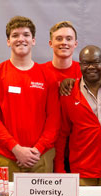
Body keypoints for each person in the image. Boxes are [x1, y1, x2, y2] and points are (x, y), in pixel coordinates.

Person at [0, 16, 60, 181]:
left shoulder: (48, 76)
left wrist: (38, 149)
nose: (21, 39)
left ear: (33, 40)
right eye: (15, 35)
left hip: (41, 156)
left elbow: (54, 119)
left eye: (25, 35)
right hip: (7, 156)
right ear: (8, 41)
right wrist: (15, 148)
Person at [55, 45, 101, 186]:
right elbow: (62, 135)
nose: (91, 67)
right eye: (86, 63)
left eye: (96, 62)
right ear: (80, 65)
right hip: (82, 172)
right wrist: (59, 169)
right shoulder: (69, 93)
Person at [43, 21, 82, 173]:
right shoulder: (40, 72)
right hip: (46, 149)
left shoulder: (85, 72)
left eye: (68, 39)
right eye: (59, 39)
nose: (64, 43)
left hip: (78, 150)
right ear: (51, 43)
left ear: (75, 43)